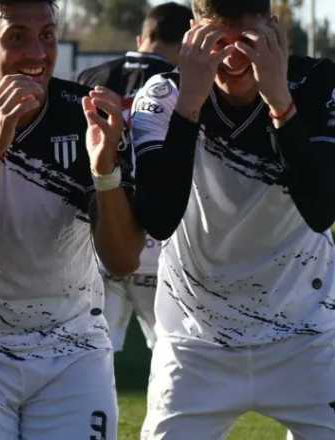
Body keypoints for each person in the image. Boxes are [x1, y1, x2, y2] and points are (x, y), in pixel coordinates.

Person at [0, 0, 145, 438]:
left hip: (72, 345)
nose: (37, 53)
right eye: (17, 37)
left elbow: (123, 259)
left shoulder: (86, 115)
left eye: (48, 36)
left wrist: (104, 172)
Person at [130, 0, 335, 438]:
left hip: (307, 330)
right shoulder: (163, 96)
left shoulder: (320, 84)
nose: (232, 58)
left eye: (247, 40)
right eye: (215, 41)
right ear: (191, 35)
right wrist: (190, 103)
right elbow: (160, 219)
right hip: (195, 337)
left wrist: (280, 101)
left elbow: (320, 210)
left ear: (274, 31)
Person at [77, 2, 192, 354]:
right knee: (177, 353)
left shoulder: (89, 78)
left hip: (104, 232)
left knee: (93, 355)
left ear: (143, 38)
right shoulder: (182, 84)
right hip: (161, 238)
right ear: (186, 40)